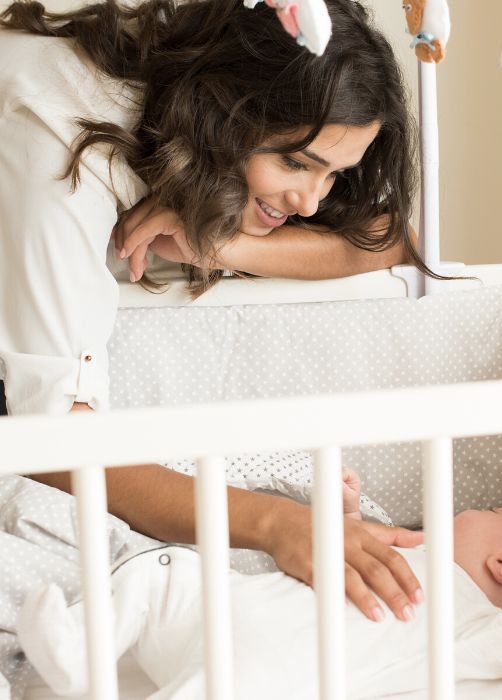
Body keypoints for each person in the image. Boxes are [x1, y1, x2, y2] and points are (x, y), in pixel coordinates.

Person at [0, 0, 432, 622]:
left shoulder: (196, 104)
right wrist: (277, 524)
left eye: (335, 174)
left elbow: (397, 237)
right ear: (223, 111)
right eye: (296, 164)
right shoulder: (61, 144)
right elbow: (56, 444)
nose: (312, 202)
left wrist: (225, 243)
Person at [17, 471, 502, 698]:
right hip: (219, 607)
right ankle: (79, 649)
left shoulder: (475, 625)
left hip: (275, 667)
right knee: (162, 573)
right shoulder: (405, 545)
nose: (480, 509)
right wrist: (345, 513)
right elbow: (337, 548)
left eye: (497, 515)